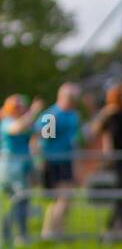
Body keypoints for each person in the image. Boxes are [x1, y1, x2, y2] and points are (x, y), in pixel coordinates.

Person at [37, 83, 82, 239]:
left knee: (64, 199)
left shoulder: (74, 116)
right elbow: (43, 141)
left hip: (67, 161)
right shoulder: (51, 116)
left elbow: (76, 140)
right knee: (60, 198)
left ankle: (55, 232)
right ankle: (51, 233)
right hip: (52, 162)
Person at [88, 86, 122, 236]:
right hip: (118, 160)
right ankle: (112, 228)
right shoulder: (112, 114)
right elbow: (101, 133)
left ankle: (120, 226)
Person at [1, 94, 41, 246]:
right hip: (11, 168)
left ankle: (20, 234)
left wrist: (47, 119)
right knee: (17, 201)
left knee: (22, 202)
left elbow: (44, 133)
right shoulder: (7, 121)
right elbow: (16, 128)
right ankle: (10, 233)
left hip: (23, 166)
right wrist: (34, 111)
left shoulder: (26, 121)